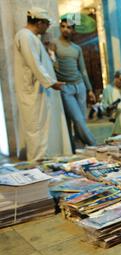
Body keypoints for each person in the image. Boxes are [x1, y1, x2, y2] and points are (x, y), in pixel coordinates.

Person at [13, 7, 67, 161]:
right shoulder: (25, 36)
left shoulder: (31, 37)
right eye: (46, 24)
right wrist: (51, 83)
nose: (48, 27)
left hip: (37, 91)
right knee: (35, 128)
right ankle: (36, 164)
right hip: (32, 92)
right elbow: (34, 63)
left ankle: (42, 163)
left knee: (41, 127)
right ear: (39, 22)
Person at [50, 18, 96, 152]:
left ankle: (78, 151)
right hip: (65, 87)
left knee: (80, 122)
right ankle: (95, 145)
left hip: (80, 86)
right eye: (63, 26)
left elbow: (83, 70)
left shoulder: (77, 48)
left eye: (69, 27)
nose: (65, 29)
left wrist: (90, 90)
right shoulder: (55, 44)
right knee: (77, 119)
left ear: (73, 30)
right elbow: (51, 63)